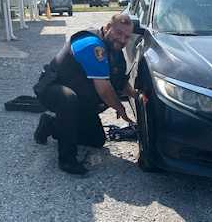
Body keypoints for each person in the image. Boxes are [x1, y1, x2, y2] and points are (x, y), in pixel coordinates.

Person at [33, 14, 140, 175]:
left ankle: (51, 124)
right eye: (119, 33)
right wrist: (121, 110)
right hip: (53, 90)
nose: (123, 39)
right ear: (107, 27)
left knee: (96, 140)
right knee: (67, 99)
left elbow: (119, 81)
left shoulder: (115, 49)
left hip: (79, 98)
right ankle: (67, 160)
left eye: (127, 36)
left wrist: (137, 95)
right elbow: (104, 90)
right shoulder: (93, 45)